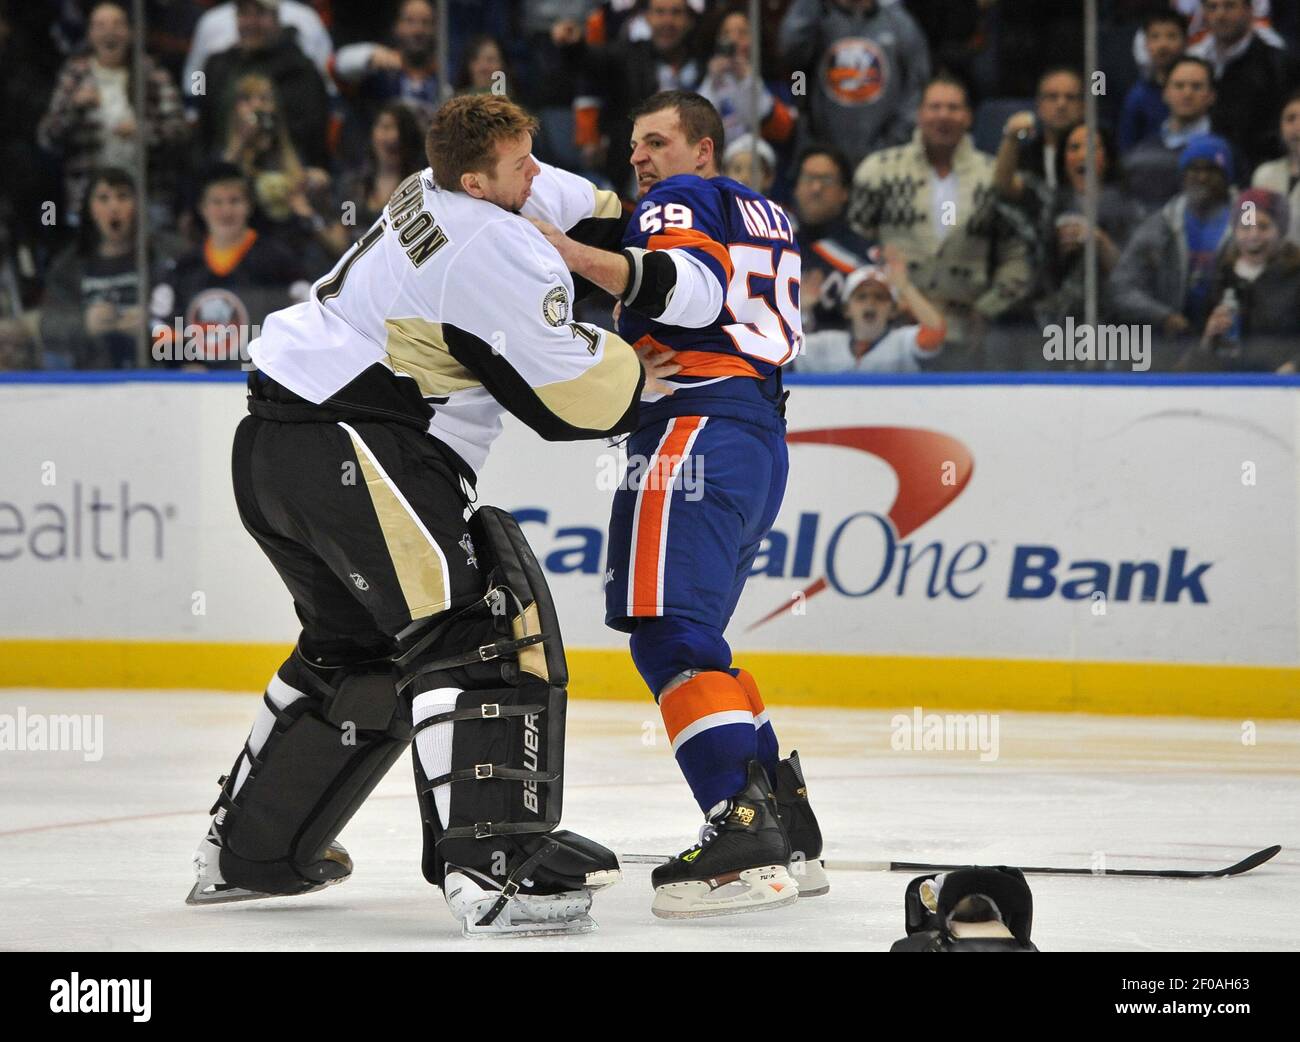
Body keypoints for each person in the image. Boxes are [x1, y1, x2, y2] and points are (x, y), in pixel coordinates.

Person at [187, 94, 677, 938]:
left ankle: (250, 855)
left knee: (358, 654)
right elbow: (565, 401)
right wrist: (639, 379)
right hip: (358, 449)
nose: (536, 172)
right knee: (477, 627)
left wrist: (639, 234)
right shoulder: (483, 244)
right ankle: (492, 870)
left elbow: (587, 209)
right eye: (521, 164)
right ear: (480, 181)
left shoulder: (443, 185)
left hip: (275, 446)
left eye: (533, 155)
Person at [529, 90, 828, 919]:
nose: (639, 159)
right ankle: (787, 823)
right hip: (756, 435)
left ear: (704, 150)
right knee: (698, 637)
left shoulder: (680, 198)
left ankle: (740, 829)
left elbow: (684, 287)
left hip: (694, 429)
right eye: (633, 146)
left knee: (669, 636)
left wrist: (565, 250)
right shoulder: (763, 210)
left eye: (656, 142)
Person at [849, 75, 1032, 368]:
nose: (943, 115)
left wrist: (988, 308)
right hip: (893, 332)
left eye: (953, 107)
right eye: (934, 107)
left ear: (968, 117)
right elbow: (857, 241)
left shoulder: (992, 177)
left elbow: (1016, 255)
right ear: (919, 114)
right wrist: (882, 296)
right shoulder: (879, 171)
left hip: (966, 332)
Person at [36, 1, 187, 226]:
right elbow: (48, 137)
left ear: (131, 32)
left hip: (148, 194)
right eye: (101, 25)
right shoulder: (74, 75)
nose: (110, 31)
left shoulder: (153, 74)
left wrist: (143, 131)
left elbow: (180, 132)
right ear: (90, 34)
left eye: (118, 24)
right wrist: (74, 107)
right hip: (87, 195)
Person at [151, 163, 306, 369]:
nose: (226, 211)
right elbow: (160, 326)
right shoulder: (184, 268)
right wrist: (186, 362)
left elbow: (304, 316)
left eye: (234, 201)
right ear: (203, 209)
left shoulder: (278, 260)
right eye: (217, 202)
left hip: (263, 379)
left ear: (249, 206)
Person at [1111, 134, 1238, 368]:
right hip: (1169, 348)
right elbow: (1121, 287)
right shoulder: (1161, 224)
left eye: (1211, 169)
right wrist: (1163, 316)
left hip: (1234, 345)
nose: (1201, 177)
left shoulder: (1245, 218)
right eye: (1193, 169)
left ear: (1226, 176)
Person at [779, 0, 931, 166]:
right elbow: (792, 55)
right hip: (823, 155)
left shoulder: (898, 22)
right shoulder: (817, 19)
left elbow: (917, 88)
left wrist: (894, 141)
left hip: (887, 158)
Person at [40, 168, 164, 369]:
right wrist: (84, 325)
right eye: (103, 198)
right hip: (88, 374)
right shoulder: (68, 265)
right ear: (90, 209)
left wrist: (153, 323)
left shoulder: (163, 255)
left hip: (153, 371)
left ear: (138, 205)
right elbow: (49, 325)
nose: (114, 207)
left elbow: (188, 313)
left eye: (122, 197)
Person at [1177, 187, 1300, 371]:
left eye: (1263, 226)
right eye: (1245, 227)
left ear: (1280, 230)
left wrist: (1294, 367)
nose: (1253, 235)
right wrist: (1207, 339)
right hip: (1229, 389)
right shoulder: (1220, 276)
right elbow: (1192, 361)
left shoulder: (1295, 276)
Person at [798, 246, 945, 372]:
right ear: (847, 309)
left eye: (880, 297)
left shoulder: (903, 342)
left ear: (893, 310)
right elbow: (780, 353)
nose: (870, 302)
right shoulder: (826, 344)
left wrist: (905, 287)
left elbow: (936, 331)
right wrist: (800, 310)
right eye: (861, 297)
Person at [1121, 55, 1222, 214]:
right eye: (1179, 86)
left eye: (1196, 86)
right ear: (1165, 93)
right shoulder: (1140, 153)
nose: (1187, 93)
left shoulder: (1226, 153)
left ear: (1211, 96)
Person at [994, 67, 1085, 200]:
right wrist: (1011, 137)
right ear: (1039, 105)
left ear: (1083, 106)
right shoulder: (1026, 156)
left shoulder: (1098, 151)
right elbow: (1005, 188)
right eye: (1052, 97)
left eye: (1070, 97)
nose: (1061, 104)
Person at [1118, 10, 1190, 153]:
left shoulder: (1199, 86)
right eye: (1155, 37)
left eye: (1171, 36)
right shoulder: (1137, 96)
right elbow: (1126, 147)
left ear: (1185, 41)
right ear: (1145, 43)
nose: (1163, 45)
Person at [1250, 89, 1300, 245]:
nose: (1297, 126)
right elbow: (1252, 224)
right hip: (1272, 263)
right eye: (1290, 119)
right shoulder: (1264, 174)